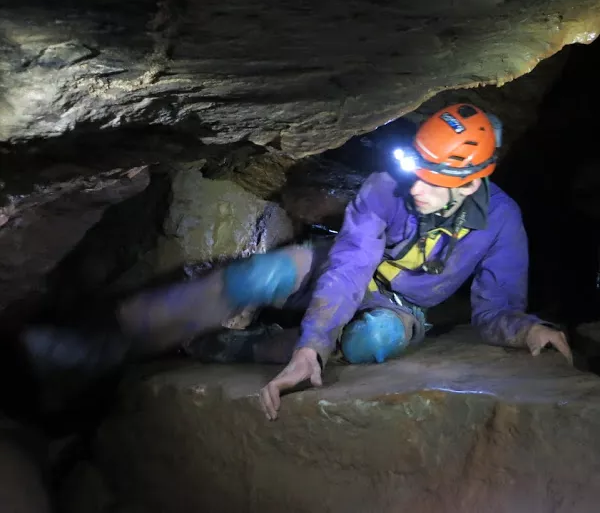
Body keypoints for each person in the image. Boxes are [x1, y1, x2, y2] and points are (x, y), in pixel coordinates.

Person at [16, 103, 572, 422]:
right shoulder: (384, 187)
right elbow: (352, 263)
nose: (419, 186)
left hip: (404, 307)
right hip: (346, 264)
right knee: (264, 274)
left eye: (437, 179)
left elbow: (495, 306)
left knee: (369, 340)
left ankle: (241, 349)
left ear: (475, 180)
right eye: (418, 169)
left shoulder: (501, 220)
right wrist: (314, 340)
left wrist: (526, 330)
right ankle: (98, 341)